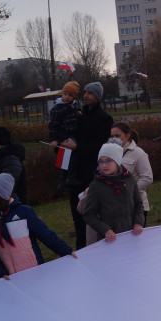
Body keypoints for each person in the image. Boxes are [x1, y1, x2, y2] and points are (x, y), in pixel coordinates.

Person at [0, 173, 76, 279]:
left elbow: (45, 234)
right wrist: (1, 273)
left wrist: (66, 251)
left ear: (0, 194)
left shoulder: (24, 212)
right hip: (10, 279)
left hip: (36, 272)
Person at [61, 81, 113, 249]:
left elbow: (101, 147)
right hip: (73, 175)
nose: (86, 95)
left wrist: (78, 147)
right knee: (77, 218)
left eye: (90, 93)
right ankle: (82, 251)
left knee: (91, 217)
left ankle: (97, 249)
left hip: (90, 175)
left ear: (97, 96)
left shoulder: (104, 119)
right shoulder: (78, 115)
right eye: (84, 92)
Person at [81, 142, 144, 244]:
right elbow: (89, 215)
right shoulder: (96, 186)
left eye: (108, 161)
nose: (104, 165)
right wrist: (105, 229)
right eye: (101, 161)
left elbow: (139, 204)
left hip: (132, 235)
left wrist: (138, 222)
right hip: (110, 240)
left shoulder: (129, 179)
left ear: (117, 161)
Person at [111, 123, 154, 225]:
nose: (114, 139)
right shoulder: (110, 154)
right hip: (115, 206)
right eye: (112, 136)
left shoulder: (139, 153)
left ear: (128, 135)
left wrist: (129, 190)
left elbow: (147, 178)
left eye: (117, 136)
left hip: (136, 206)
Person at [48, 81, 82, 148]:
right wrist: (53, 139)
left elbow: (75, 117)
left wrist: (78, 113)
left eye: (70, 95)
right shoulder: (57, 108)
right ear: (62, 94)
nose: (67, 97)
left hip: (74, 135)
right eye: (65, 94)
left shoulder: (75, 105)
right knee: (64, 156)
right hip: (62, 137)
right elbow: (53, 125)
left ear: (74, 97)